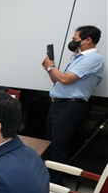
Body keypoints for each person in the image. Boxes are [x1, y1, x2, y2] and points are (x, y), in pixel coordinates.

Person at [42, 25, 104, 183]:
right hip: (58, 104)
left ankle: (54, 183)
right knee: (51, 143)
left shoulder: (93, 59)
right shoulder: (79, 58)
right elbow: (58, 80)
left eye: (75, 39)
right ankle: (46, 178)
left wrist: (52, 66)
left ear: (87, 40)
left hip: (70, 106)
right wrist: (49, 69)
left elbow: (65, 79)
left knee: (58, 145)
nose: (73, 42)